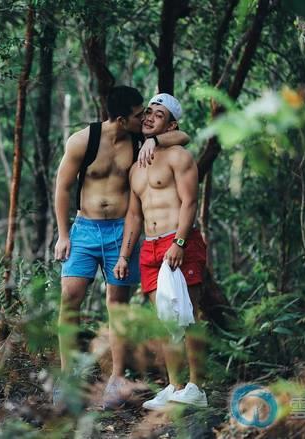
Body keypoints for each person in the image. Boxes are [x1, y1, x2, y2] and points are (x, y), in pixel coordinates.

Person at [53, 86, 190, 409]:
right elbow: (62, 187)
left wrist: (156, 140)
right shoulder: (82, 141)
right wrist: (63, 235)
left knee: (118, 305)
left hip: (120, 231)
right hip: (85, 229)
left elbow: (183, 137)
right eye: (138, 114)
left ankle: (116, 378)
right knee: (70, 298)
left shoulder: (139, 140)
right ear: (120, 119)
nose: (144, 118)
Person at [113, 93, 208, 409]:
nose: (150, 117)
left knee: (189, 315)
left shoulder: (179, 156)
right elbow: (134, 215)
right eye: (148, 112)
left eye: (159, 114)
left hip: (178, 242)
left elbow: (190, 202)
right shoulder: (136, 167)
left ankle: (196, 388)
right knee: (167, 321)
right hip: (150, 249)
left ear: (171, 125)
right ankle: (174, 386)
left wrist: (179, 243)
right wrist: (124, 255)